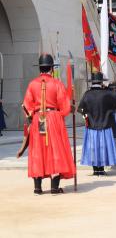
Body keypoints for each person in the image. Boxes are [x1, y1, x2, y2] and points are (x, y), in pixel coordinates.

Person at [22, 54, 75, 194]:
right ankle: (54, 187)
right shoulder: (57, 83)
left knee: (37, 150)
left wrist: (32, 115)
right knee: (55, 149)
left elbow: (27, 105)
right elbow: (64, 107)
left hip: (38, 119)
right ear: (52, 68)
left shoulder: (32, 84)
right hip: (53, 118)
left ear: (40, 68)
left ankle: (37, 188)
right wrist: (63, 112)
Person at [78, 72, 116, 176]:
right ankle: (101, 169)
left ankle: (95, 170)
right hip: (105, 124)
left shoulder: (87, 94)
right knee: (102, 147)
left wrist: (86, 115)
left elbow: (80, 109)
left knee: (93, 148)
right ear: (101, 82)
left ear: (92, 82)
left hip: (92, 125)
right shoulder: (107, 93)